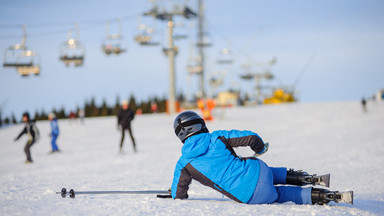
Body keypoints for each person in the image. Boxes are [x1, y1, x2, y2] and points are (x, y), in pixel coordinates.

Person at [171, 111, 350, 205]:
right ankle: (306, 177)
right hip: (259, 170)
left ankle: (323, 197)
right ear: (200, 125)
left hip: (249, 195)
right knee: (267, 173)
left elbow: (178, 194)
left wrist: (175, 194)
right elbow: (252, 138)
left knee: (279, 194)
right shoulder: (216, 137)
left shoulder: (183, 164)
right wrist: (260, 148)